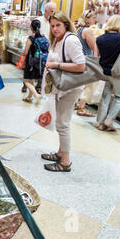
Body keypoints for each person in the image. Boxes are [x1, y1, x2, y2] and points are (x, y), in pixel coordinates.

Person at [42, 11, 86, 172]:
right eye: (52, 26)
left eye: (58, 25)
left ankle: (65, 161)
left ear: (66, 24)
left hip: (70, 88)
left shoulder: (71, 40)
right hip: (62, 87)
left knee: (63, 123)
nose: (54, 29)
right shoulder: (57, 40)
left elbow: (81, 65)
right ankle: (61, 153)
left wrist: (57, 66)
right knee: (61, 121)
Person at [28, 2, 57, 94]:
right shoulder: (38, 21)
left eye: (54, 11)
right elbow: (31, 34)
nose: (53, 13)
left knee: (44, 67)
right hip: (37, 49)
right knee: (33, 67)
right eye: (52, 11)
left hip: (48, 49)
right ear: (45, 11)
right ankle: (27, 84)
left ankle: (39, 86)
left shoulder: (54, 22)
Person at [75, 10, 99, 117]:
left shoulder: (79, 29)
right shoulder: (88, 30)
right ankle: (81, 108)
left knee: (79, 83)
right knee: (86, 85)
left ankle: (76, 103)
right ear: (87, 19)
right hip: (86, 59)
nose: (95, 19)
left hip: (78, 58)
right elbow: (93, 47)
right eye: (93, 17)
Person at [22, 19, 49, 103]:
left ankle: (36, 95)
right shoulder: (43, 37)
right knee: (32, 80)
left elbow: (25, 52)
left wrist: (22, 61)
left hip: (30, 63)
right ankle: (29, 97)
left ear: (31, 27)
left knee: (26, 81)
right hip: (40, 63)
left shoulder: (31, 38)